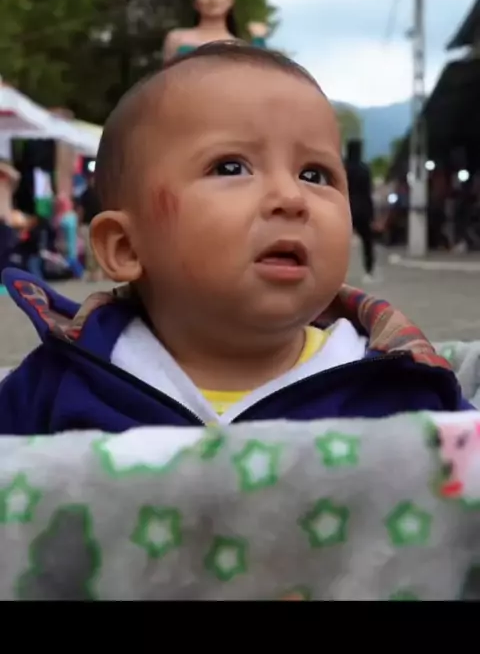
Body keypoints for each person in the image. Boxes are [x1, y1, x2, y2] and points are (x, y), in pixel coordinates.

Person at [0, 42, 472, 435]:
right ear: (125, 246)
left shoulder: (400, 388)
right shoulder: (62, 383)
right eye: (231, 167)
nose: (291, 198)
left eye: (315, 174)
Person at [162, 0, 268, 62]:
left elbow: (257, 75)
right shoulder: (176, 38)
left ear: (230, 0)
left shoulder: (240, 47)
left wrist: (259, 40)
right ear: (196, 3)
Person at [345, 140, 376, 282]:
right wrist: (372, 214)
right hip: (363, 209)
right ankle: (369, 271)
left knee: (341, 242)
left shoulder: (343, 168)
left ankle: (337, 272)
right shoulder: (365, 169)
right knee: (367, 242)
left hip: (347, 208)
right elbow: (369, 192)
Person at [77, 171, 103, 282]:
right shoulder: (85, 194)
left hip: (99, 223)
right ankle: (91, 271)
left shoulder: (100, 193)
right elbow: (81, 210)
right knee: (89, 250)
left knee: (98, 249)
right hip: (87, 224)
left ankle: (97, 272)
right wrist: (79, 223)